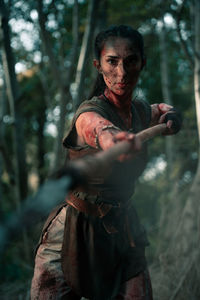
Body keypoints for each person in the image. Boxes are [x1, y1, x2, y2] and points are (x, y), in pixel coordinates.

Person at [31, 25, 182, 300]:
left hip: (123, 230)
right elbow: (97, 128)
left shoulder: (137, 111)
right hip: (72, 231)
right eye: (112, 61)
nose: (122, 73)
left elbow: (157, 109)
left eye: (131, 61)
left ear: (142, 63)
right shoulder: (90, 112)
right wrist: (113, 139)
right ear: (98, 65)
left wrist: (171, 113)